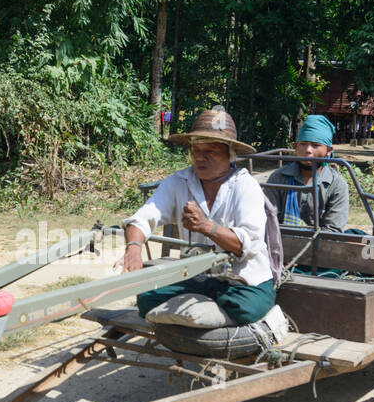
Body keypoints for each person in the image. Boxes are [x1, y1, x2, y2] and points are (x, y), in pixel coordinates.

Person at [116, 107, 276, 325]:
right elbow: (144, 217)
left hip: (242, 279)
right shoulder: (179, 182)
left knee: (243, 308)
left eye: (211, 151)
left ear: (230, 155)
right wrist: (133, 247)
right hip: (195, 275)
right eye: (195, 151)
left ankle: (210, 311)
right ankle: (203, 307)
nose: (200, 157)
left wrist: (207, 227)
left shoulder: (246, 186)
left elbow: (247, 244)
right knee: (146, 300)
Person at [263, 114, 351, 233]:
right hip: (280, 243)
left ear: (329, 151)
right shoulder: (278, 178)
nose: (308, 150)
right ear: (295, 147)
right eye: (303, 144)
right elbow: (267, 220)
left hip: (322, 247)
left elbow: (333, 230)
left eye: (315, 145)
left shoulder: (336, 185)